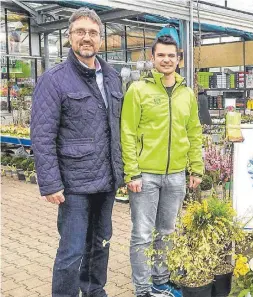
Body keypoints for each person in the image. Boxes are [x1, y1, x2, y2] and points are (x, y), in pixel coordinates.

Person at [30, 7, 124, 297]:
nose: (87, 38)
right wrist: (50, 182)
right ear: (69, 36)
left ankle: (94, 290)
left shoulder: (112, 77)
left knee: (101, 243)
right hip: (74, 184)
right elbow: (42, 134)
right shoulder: (54, 79)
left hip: (106, 179)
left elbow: (119, 128)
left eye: (93, 33)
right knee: (71, 249)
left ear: (101, 39)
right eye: (80, 32)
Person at [121, 35, 204, 297]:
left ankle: (160, 282)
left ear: (178, 60)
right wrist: (132, 171)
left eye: (171, 56)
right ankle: (143, 290)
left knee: (166, 232)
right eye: (161, 55)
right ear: (152, 58)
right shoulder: (138, 90)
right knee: (143, 234)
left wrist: (196, 167)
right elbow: (128, 132)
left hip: (176, 175)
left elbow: (193, 132)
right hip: (144, 175)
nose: (166, 60)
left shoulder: (186, 94)